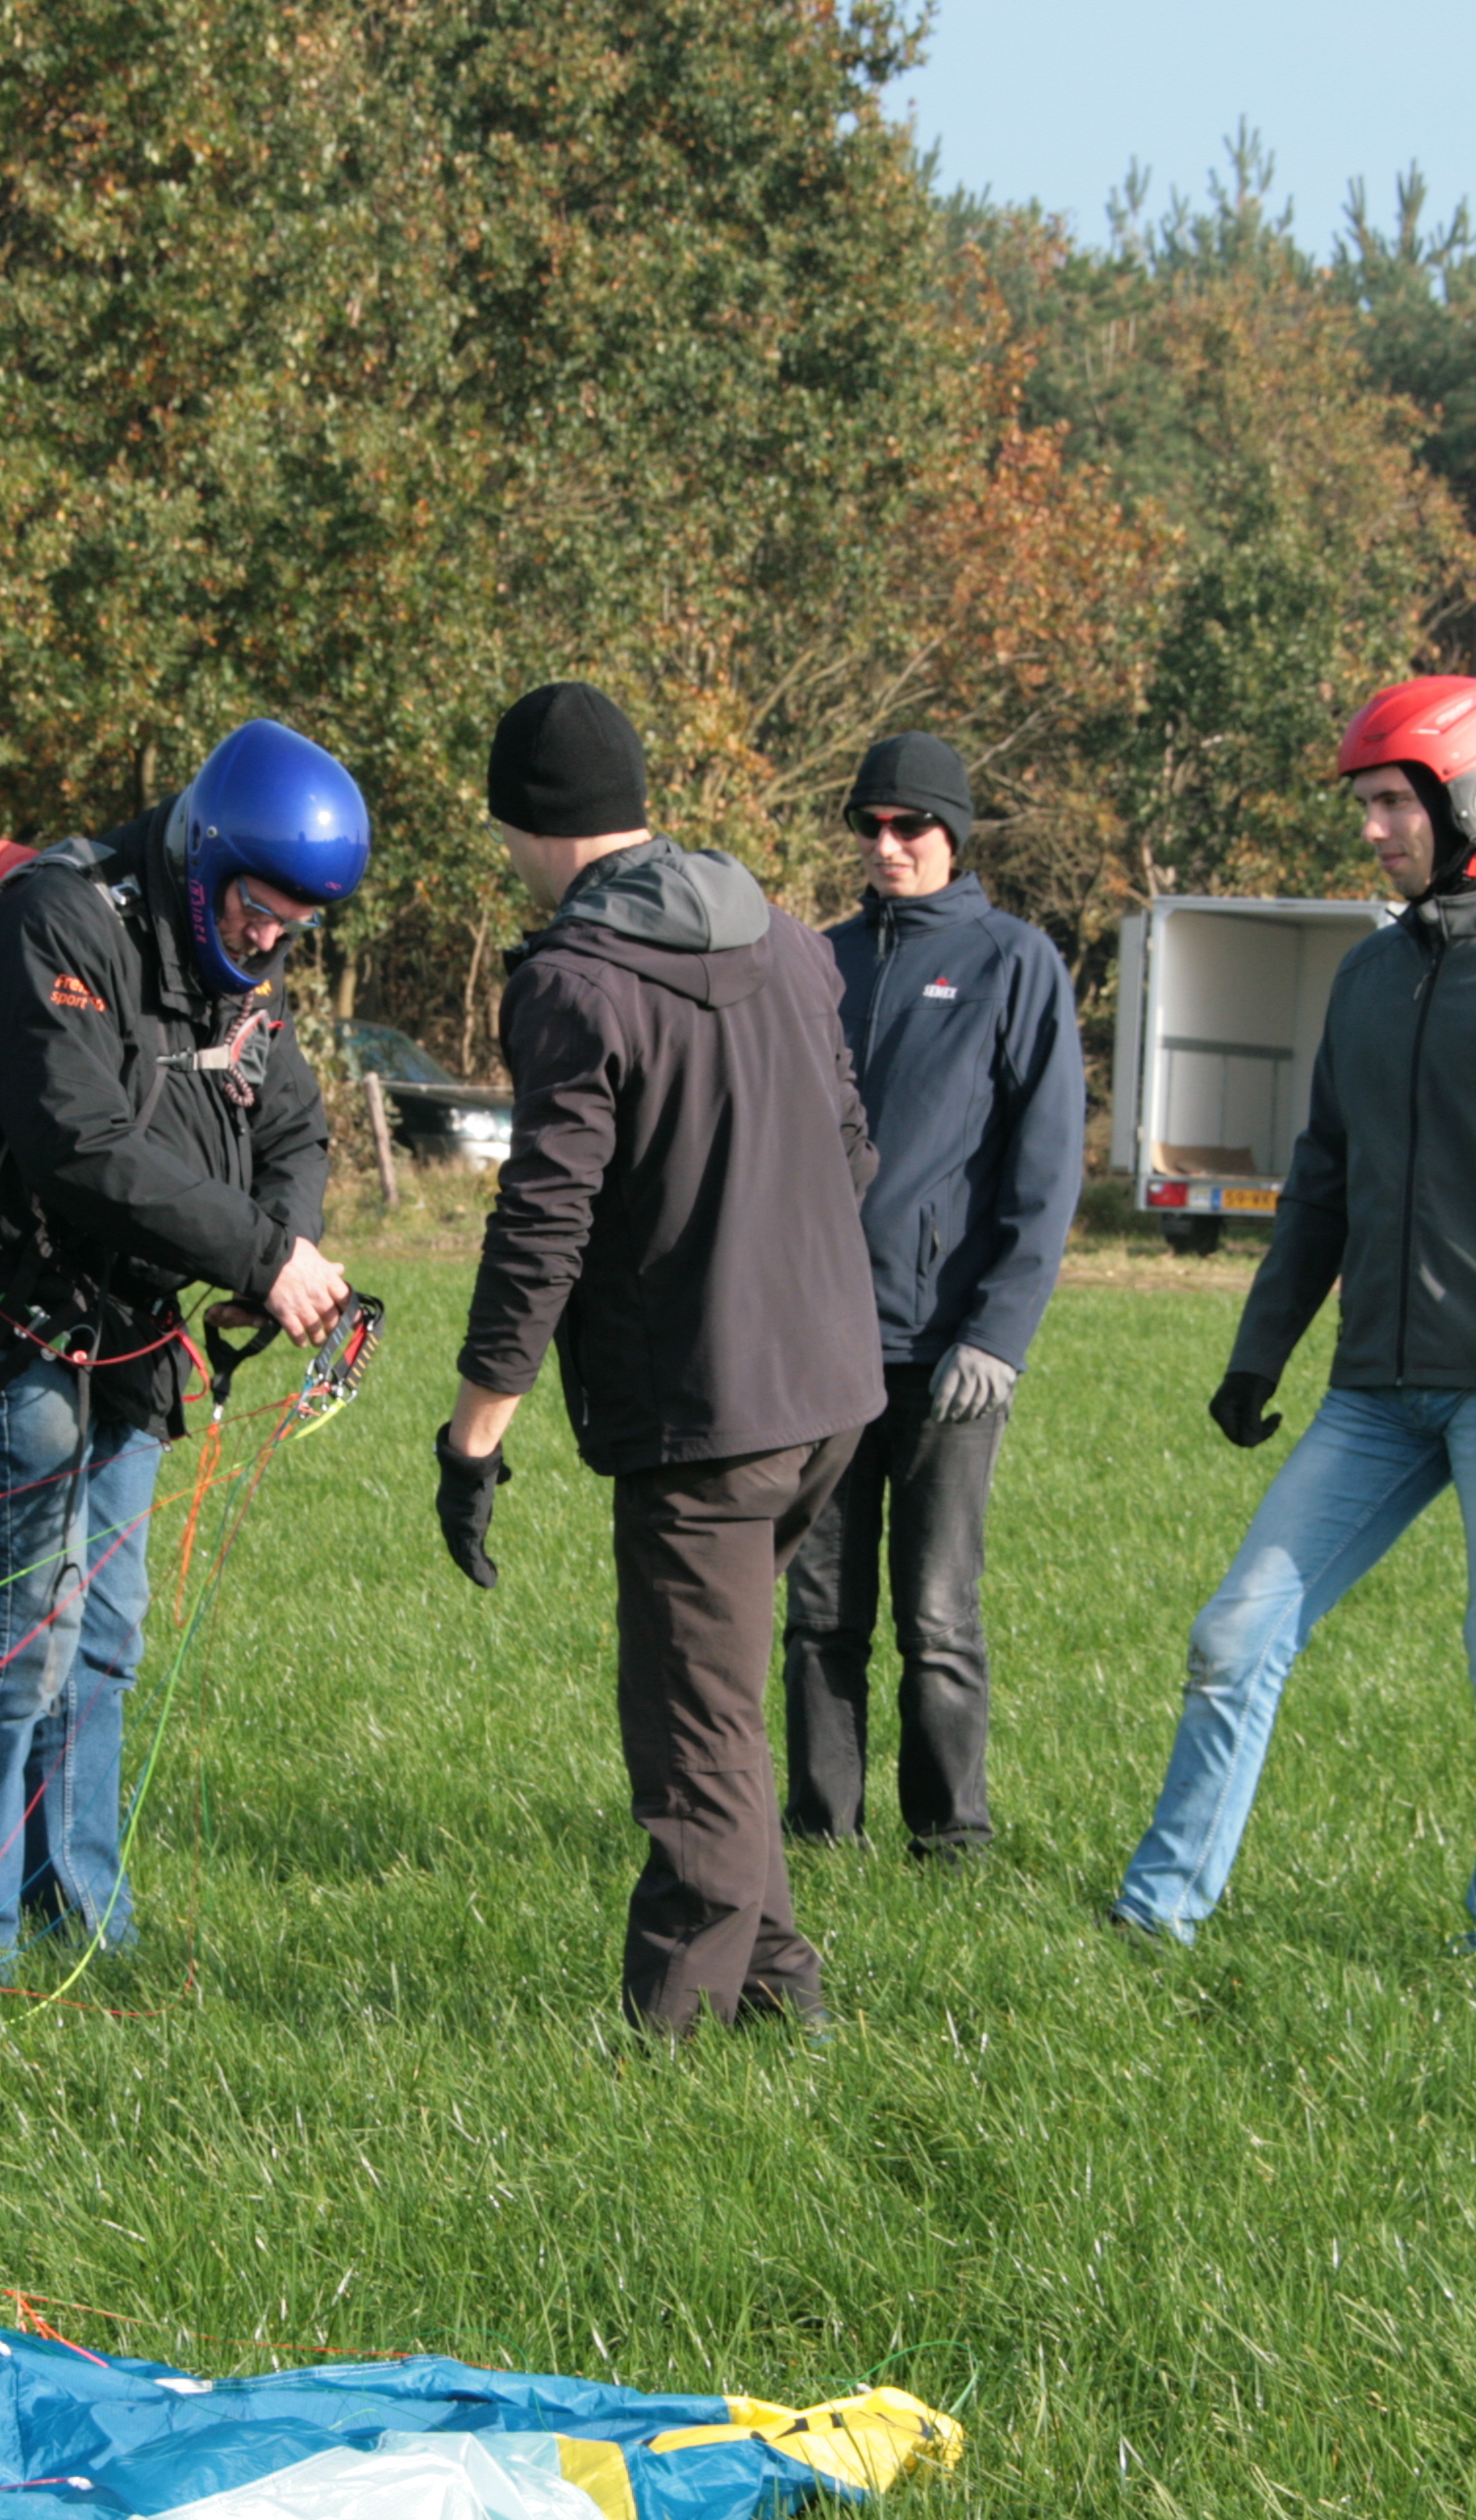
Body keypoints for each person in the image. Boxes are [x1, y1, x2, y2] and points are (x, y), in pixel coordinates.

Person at [1109, 677, 1476, 1967]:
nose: (1372, 831)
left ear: (1474, 799)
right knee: (1233, 1635)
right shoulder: (1367, 977)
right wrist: (1262, 1350)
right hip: (1375, 1393)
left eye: (1391, 804)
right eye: (1366, 806)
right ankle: (1157, 1919)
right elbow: (1323, 1179)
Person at [431, 681, 884, 2040]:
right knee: (725, 1718)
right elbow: (855, 1148)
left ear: (526, 818)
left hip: (711, 1420)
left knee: (689, 1745)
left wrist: (474, 1436)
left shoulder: (572, 984)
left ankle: (664, 2046)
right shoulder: (794, 944)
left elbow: (543, 1227)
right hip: (834, 1394)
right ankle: (781, 1994)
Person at [0, 718, 367, 1966]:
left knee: (105, 1634)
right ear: (204, 857)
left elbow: (296, 1124)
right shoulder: (60, 921)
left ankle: (82, 1919)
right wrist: (262, 1259)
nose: (270, 940)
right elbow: (79, 1143)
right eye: (261, 908)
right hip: (25, 1321)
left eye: (295, 925)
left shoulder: (237, 970)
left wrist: (280, 1242)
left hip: (140, 1339)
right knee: (14, 1642)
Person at [777, 732, 1085, 1865]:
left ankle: (951, 1840)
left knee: (938, 1615)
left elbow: (1046, 1176)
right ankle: (818, 1832)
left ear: (954, 832)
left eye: (909, 825)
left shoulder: (1016, 965)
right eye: (869, 825)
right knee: (820, 1614)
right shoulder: (817, 961)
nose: (887, 844)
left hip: (951, 1351)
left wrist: (996, 1334)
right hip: (822, 1350)